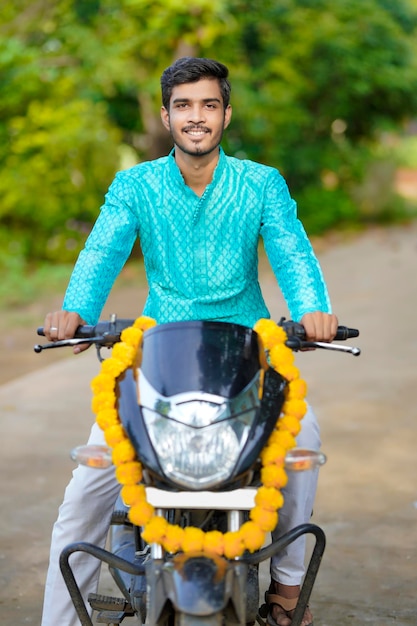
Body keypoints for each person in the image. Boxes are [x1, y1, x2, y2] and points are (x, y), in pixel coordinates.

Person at [41, 57, 338, 626]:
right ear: (166, 115)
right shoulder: (136, 185)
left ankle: (288, 588)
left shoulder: (261, 183)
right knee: (86, 488)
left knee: (303, 443)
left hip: (249, 357)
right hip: (156, 360)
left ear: (226, 114)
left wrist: (312, 312)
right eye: (183, 106)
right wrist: (76, 310)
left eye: (208, 105)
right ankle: (59, 620)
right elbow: (102, 250)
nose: (195, 117)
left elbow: (292, 251)